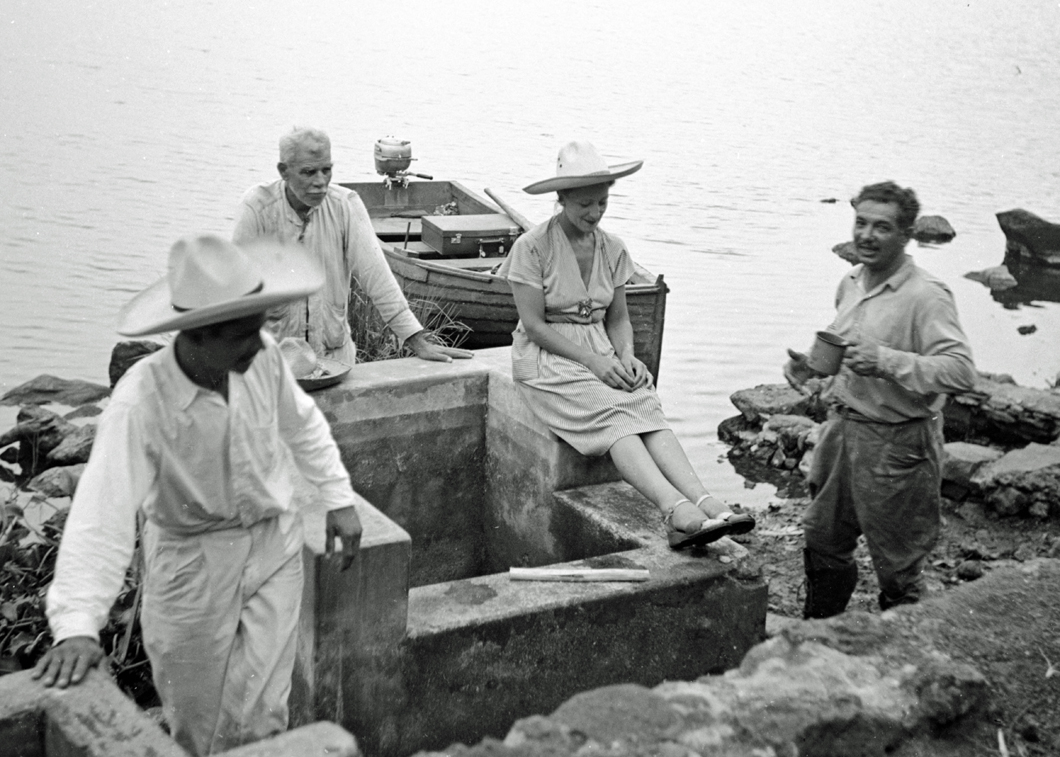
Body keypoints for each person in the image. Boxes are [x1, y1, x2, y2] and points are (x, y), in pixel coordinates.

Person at [33, 235, 364, 756]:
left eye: (258, 328)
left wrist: (338, 498)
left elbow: (303, 427)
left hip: (273, 546)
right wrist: (77, 623)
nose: (257, 343)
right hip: (191, 564)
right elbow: (104, 511)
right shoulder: (143, 400)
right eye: (241, 334)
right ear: (197, 335)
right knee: (196, 724)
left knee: (264, 715)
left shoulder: (266, 359)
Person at [499, 141, 755, 549]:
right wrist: (594, 363)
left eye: (602, 202)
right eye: (584, 204)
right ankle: (673, 508)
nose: (594, 213)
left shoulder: (613, 248)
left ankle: (705, 500)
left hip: (597, 350)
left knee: (644, 401)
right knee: (614, 413)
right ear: (561, 198)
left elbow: (617, 317)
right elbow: (533, 326)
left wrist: (626, 356)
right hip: (547, 357)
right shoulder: (532, 248)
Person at [784, 181, 976, 618]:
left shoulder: (926, 295)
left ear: (907, 235)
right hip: (841, 433)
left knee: (898, 564)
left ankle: (900, 645)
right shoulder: (850, 281)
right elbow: (849, 351)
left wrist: (887, 360)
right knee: (823, 541)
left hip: (899, 444)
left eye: (882, 227)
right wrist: (809, 366)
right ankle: (818, 636)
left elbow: (961, 371)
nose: (867, 235)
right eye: (861, 222)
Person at [233, 126, 473, 365]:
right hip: (273, 364)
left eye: (326, 170)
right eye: (308, 172)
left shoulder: (345, 205)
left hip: (333, 359)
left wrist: (416, 340)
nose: (320, 182)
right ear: (284, 171)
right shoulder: (258, 207)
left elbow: (377, 277)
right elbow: (237, 290)